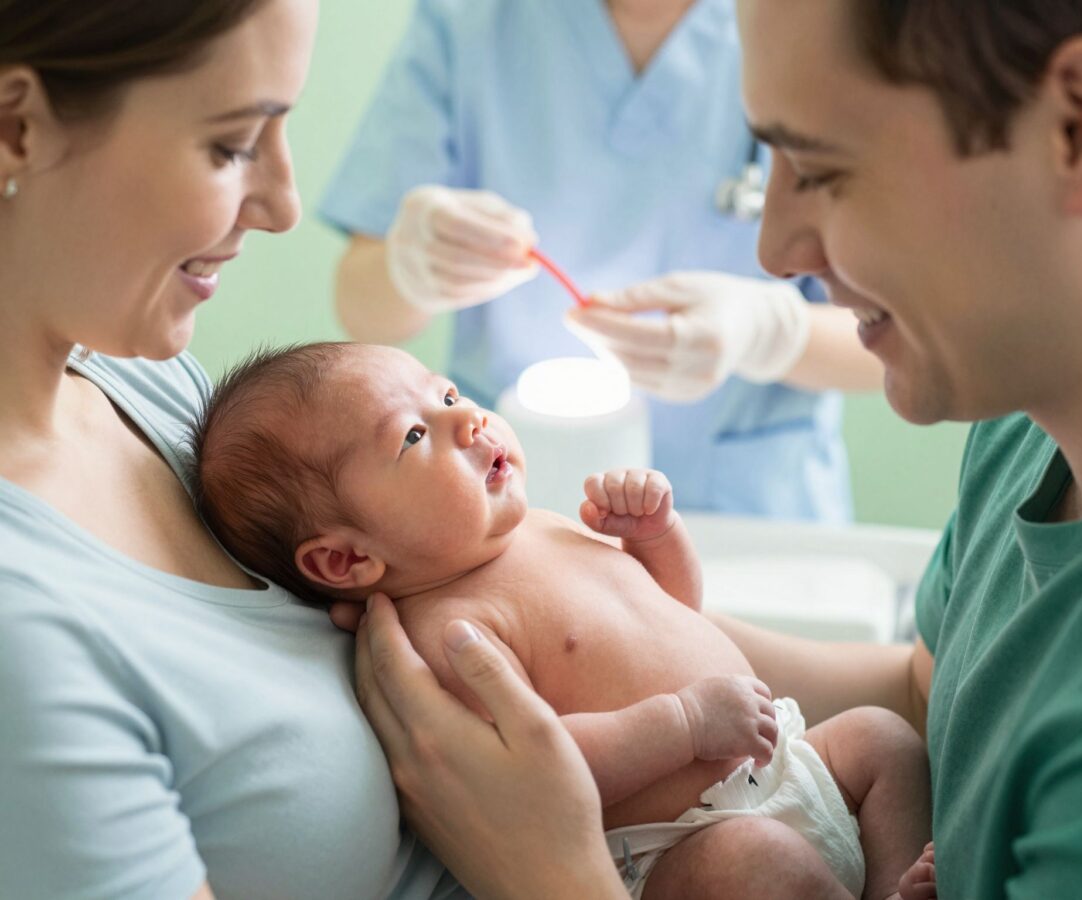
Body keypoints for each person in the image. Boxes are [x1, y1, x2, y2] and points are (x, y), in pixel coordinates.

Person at [342, 0, 1082, 897]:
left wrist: (547, 869)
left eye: (823, 170)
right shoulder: (1027, 435)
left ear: (1079, 129)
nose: (774, 248)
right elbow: (929, 693)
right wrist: (598, 619)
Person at [0, 2, 485, 898]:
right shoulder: (21, 637)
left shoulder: (146, 387)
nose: (285, 208)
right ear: (15, 127)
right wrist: (552, 862)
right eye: (231, 146)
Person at [188, 339, 933, 900]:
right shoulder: (450, 631)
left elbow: (676, 614)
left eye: (448, 394)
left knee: (884, 737)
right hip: (689, 841)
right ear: (346, 560)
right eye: (413, 435)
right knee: (759, 863)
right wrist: (681, 722)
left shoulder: (537, 526)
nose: (467, 420)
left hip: (784, 759)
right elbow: (539, 768)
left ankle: (894, 884)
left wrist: (656, 539)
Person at [320, 0, 883, 523]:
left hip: (752, 518)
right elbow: (361, 309)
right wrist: (409, 269)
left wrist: (771, 334)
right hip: (508, 512)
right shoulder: (470, 19)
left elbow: (906, 338)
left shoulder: (815, 26)